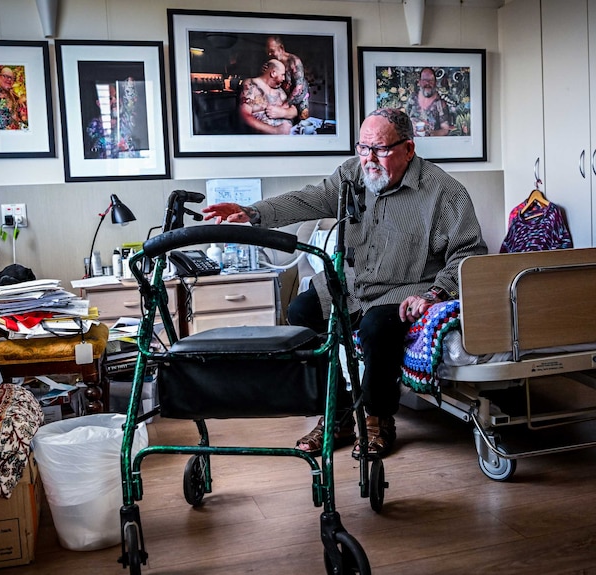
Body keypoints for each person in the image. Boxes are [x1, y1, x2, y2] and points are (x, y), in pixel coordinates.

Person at [202, 108, 487, 459]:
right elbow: (309, 198)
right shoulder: (352, 175)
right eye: (362, 148)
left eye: (379, 149)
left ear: (409, 149)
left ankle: (378, 419)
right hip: (355, 281)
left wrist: (433, 294)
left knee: (376, 328)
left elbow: (468, 254)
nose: (369, 159)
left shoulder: (444, 193)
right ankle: (336, 415)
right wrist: (253, 211)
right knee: (302, 311)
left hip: (406, 286)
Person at [238, 59, 292, 135]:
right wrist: (275, 131)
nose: (284, 78)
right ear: (273, 73)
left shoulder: (279, 90)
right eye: (282, 75)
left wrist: (283, 112)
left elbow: (294, 110)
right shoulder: (252, 84)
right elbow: (244, 115)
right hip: (265, 139)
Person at [264, 36, 310, 124]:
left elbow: (298, 87)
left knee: (303, 124)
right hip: (283, 98)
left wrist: (286, 104)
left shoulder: (294, 61)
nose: (269, 54)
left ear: (281, 48)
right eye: (268, 51)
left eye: (272, 51)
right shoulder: (272, 61)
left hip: (299, 99)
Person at [405, 67, 451, 137]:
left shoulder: (440, 104)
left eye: (431, 80)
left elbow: (445, 130)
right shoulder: (412, 99)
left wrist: (430, 134)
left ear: (435, 82)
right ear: (419, 82)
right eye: (424, 80)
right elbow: (404, 122)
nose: (427, 83)